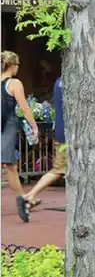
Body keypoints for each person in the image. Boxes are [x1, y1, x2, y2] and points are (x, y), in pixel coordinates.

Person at [19, 76, 66, 221]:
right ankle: (30, 196)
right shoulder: (73, 80)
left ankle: (30, 196)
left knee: (62, 169)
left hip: (61, 131)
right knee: (59, 169)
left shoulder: (59, 81)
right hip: (70, 134)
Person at [2, 52, 40, 222]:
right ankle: (22, 198)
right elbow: (24, 107)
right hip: (7, 126)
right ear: (12, 65)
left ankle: (24, 198)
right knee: (10, 165)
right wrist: (34, 126)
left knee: (9, 165)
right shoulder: (14, 83)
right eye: (17, 65)